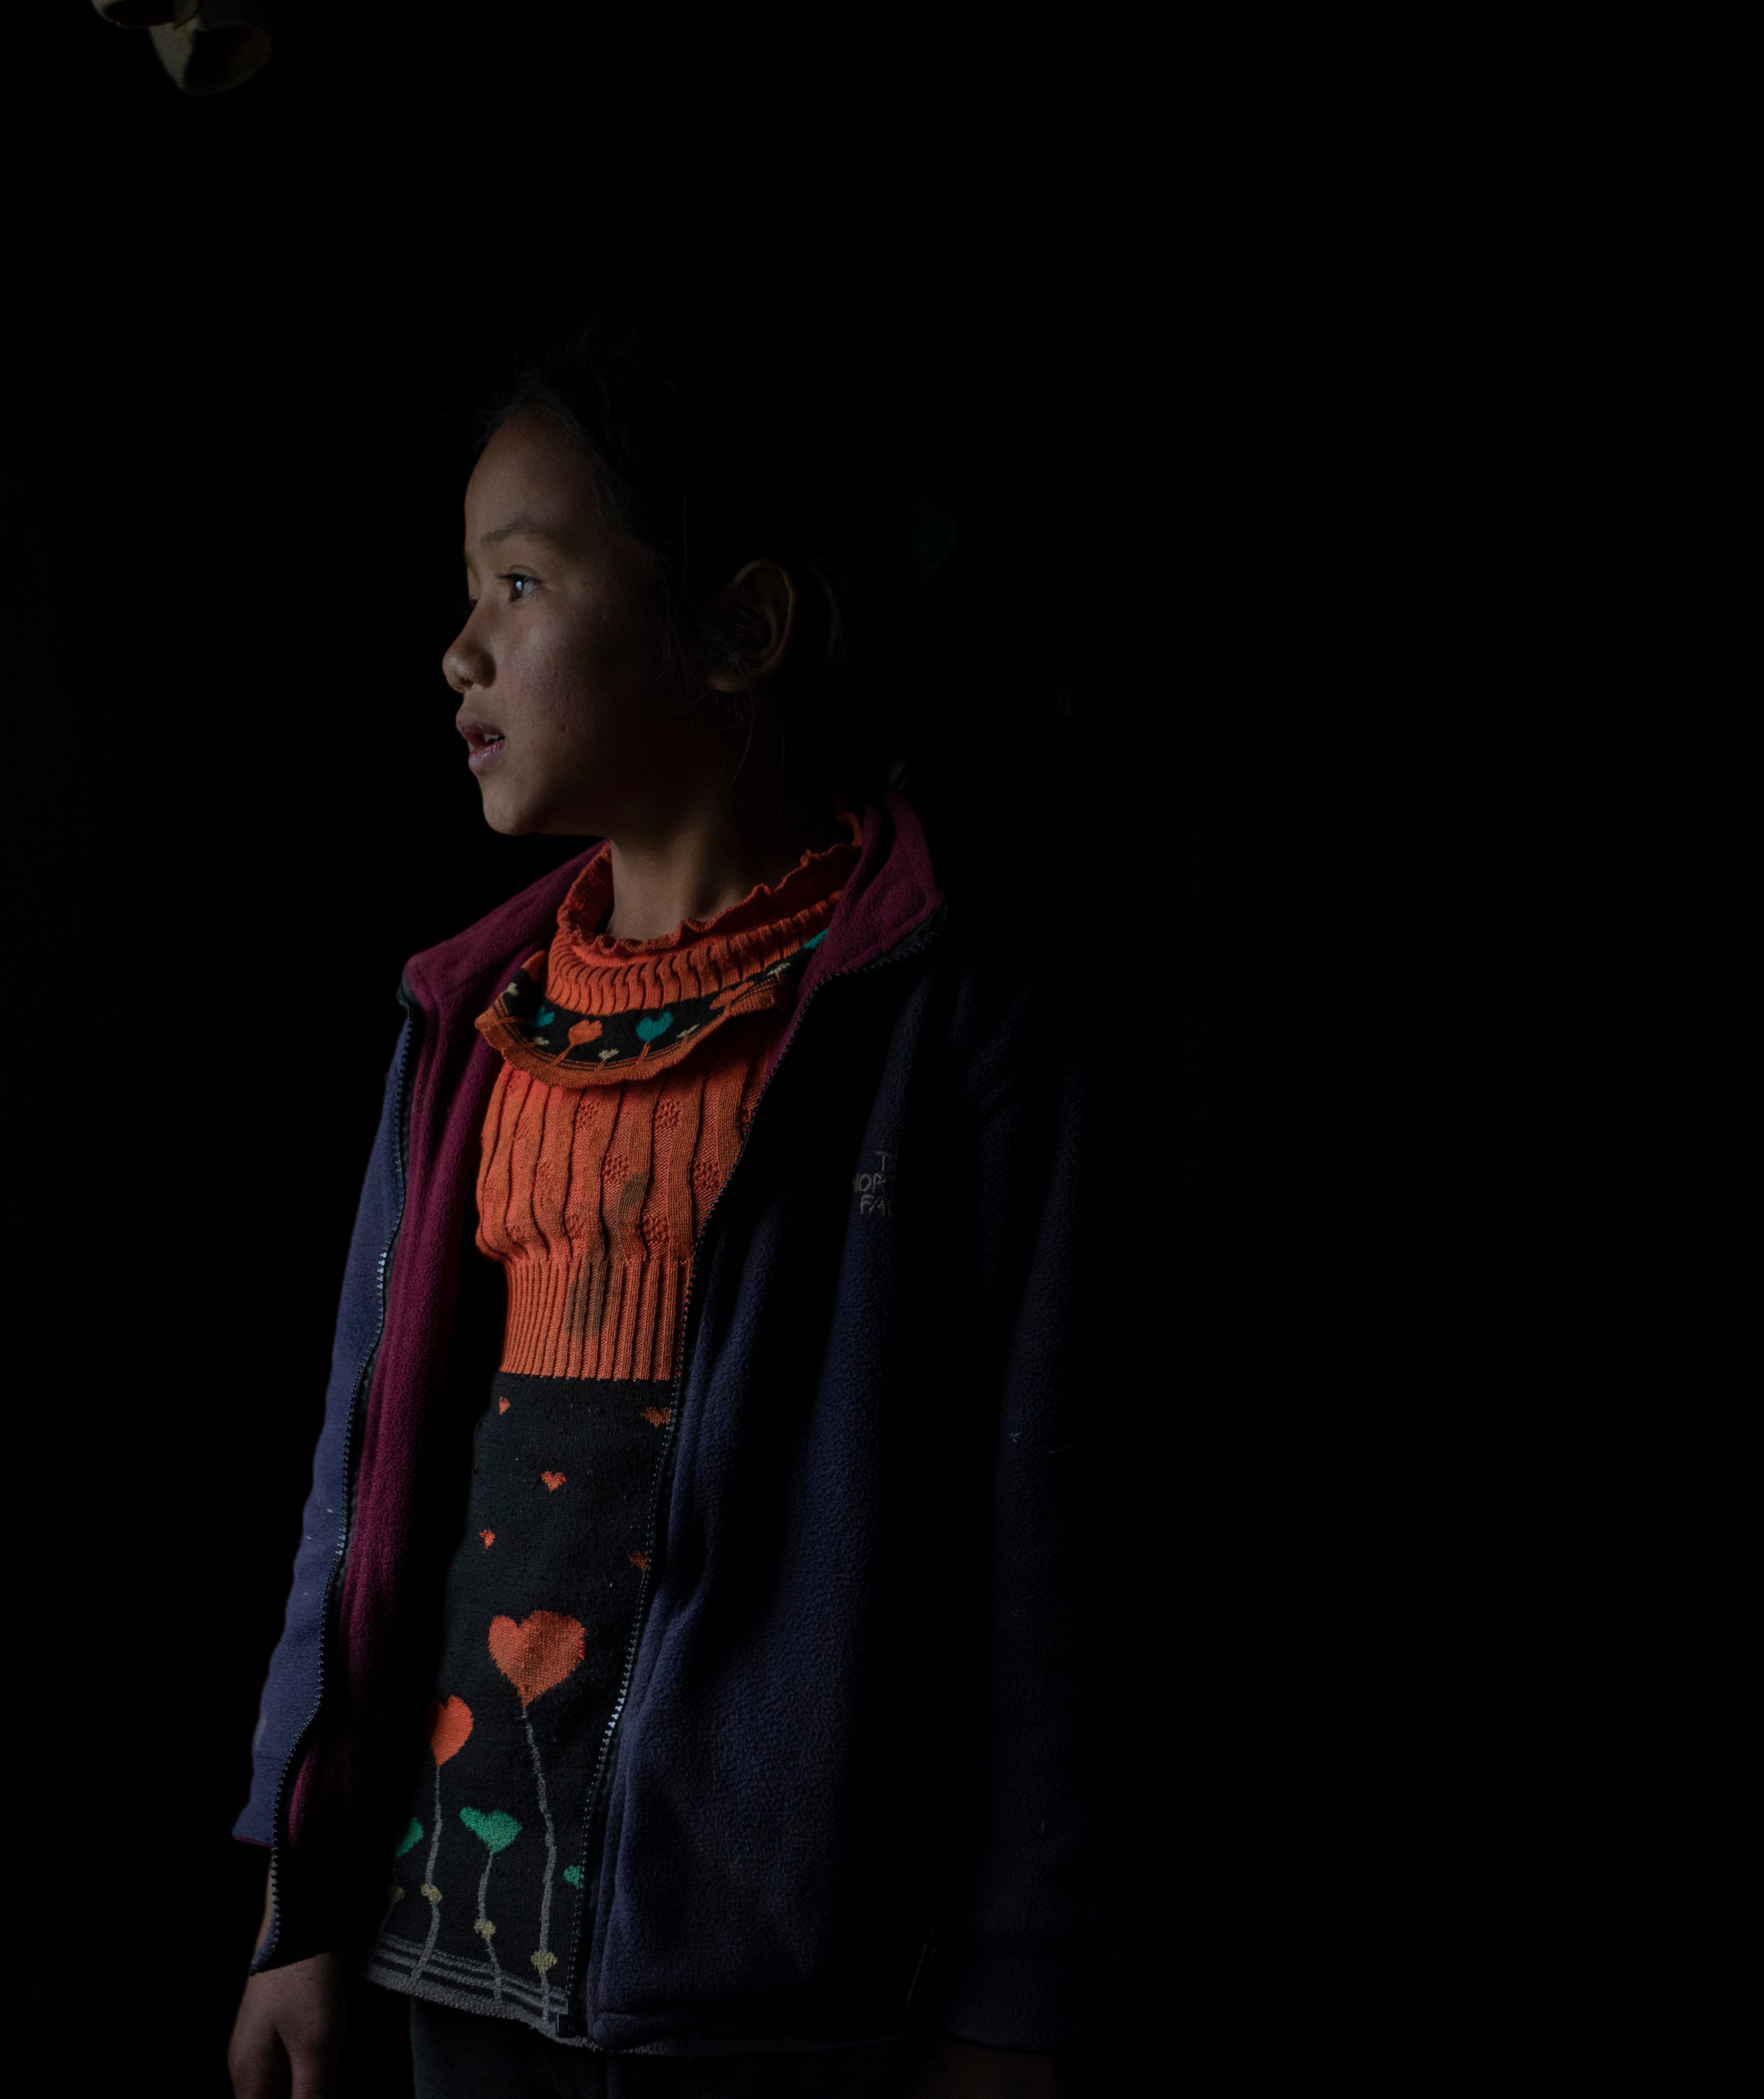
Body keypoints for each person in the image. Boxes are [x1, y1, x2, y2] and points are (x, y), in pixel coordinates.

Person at [226, 324, 1180, 2098]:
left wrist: (1020, 1999)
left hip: (794, 1980)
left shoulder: (963, 1028)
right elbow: (353, 1498)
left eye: (520, 581)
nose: (459, 648)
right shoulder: (472, 1025)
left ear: (738, 630)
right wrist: (304, 1893)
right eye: (467, 592)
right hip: (459, 1924)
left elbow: (1064, 1561)